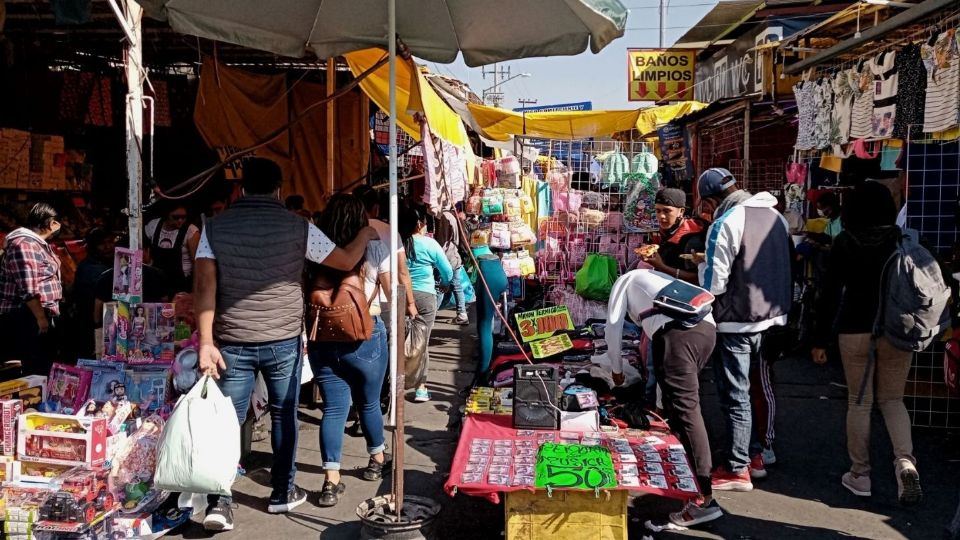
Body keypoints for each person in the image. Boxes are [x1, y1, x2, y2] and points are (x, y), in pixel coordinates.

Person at [194, 158, 378, 531]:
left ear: (241, 188)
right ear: (278, 188)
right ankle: (282, 492)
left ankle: (219, 503)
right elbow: (344, 261)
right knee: (283, 415)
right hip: (282, 340)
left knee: (227, 423)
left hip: (231, 340)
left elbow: (204, 288)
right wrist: (365, 234)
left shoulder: (213, 228)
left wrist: (205, 342)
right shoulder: (299, 226)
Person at [811, 182, 921, 506]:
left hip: (855, 331)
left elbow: (828, 294)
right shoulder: (902, 240)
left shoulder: (845, 242)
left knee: (860, 403)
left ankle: (860, 475)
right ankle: (905, 462)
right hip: (897, 331)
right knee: (892, 400)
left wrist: (819, 340)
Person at [693, 168, 792, 491]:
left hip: (736, 321)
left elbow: (714, 284)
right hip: (773, 318)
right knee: (759, 388)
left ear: (710, 200)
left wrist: (700, 265)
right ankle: (758, 453)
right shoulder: (776, 218)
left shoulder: (727, 222)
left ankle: (737, 468)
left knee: (735, 395)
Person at [607, 269, 721, 527]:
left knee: (686, 411)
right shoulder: (658, 279)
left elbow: (612, 327)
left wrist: (616, 372)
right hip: (706, 331)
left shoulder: (625, 282)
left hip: (679, 336)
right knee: (680, 408)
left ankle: (704, 499)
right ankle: (691, 484)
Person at [308, 194, 391, 508]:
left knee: (334, 408)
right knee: (368, 403)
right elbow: (388, 288)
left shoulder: (317, 249)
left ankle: (330, 481)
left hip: (323, 337)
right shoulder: (372, 247)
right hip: (365, 334)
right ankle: (376, 460)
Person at [0, 203, 63, 376]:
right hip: (26, 315)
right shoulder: (24, 245)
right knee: (34, 366)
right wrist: (41, 318)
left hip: (36, 314)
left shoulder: (36, 243)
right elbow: (27, 287)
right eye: (58, 222)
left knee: (42, 365)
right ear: (51, 223)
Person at [400, 206, 453, 403]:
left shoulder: (397, 242)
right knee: (422, 341)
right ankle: (421, 387)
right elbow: (447, 271)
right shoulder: (429, 244)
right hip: (425, 296)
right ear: (419, 224)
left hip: (399, 295)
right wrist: (445, 286)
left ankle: (393, 382)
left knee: (397, 339)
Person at [640, 187, 706, 285]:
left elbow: (697, 278)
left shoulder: (692, 238)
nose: (661, 216)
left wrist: (661, 267)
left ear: (681, 212)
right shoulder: (662, 232)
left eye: (667, 211)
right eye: (658, 211)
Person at [74, 228, 116, 357]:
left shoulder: (111, 264)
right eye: (102, 244)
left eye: (110, 242)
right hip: (92, 324)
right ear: (94, 246)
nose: (107, 247)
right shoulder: (90, 268)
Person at [144, 205, 199, 292]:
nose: (180, 220)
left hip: (181, 285)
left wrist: (195, 291)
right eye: (176, 217)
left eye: (183, 217)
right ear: (166, 214)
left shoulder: (191, 231)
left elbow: (197, 264)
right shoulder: (153, 226)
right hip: (156, 283)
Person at [434, 205, 470, 325]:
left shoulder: (446, 217)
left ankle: (432, 314)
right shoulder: (452, 217)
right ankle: (462, 313)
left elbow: (443, 241)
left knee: (441, 286)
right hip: (453, 257)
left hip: (447, 258)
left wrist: (437, 256)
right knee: (456, 286)